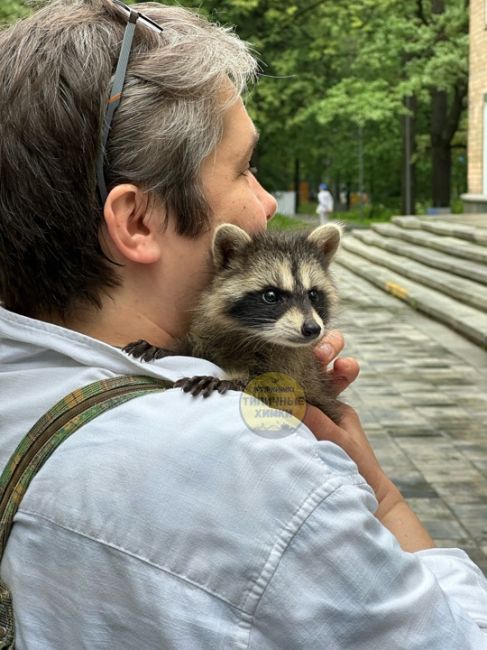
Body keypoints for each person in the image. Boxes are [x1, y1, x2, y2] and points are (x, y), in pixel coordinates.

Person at [0, 1, 486, 647]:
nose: (263, 202)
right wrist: (381, 498)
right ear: (138, 221)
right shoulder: (246, 468)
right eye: (243, 167)